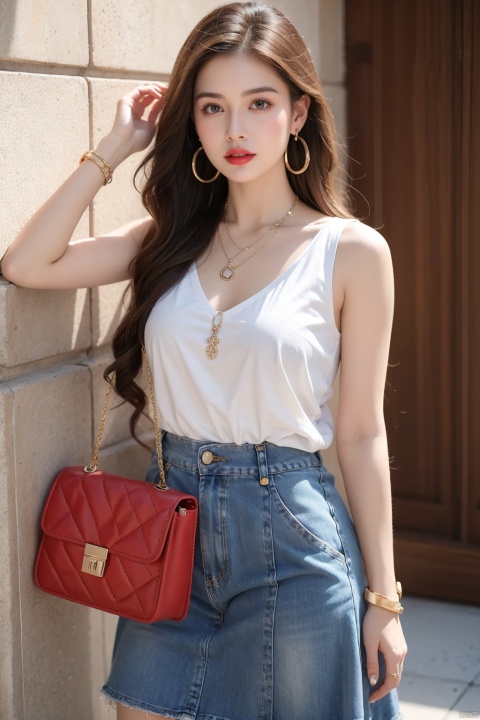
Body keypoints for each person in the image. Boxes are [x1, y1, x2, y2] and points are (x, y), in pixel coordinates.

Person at [0, 3, 407, 718]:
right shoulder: (168, 239)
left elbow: (362, 434)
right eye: (213, 108)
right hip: (171, 531)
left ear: (299, 112)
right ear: (191, 121)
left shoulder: (350, 252)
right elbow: (28, 264)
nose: (236, 130)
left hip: (294, 537)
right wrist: (113, 147)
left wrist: (385, 599)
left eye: (259, 103)